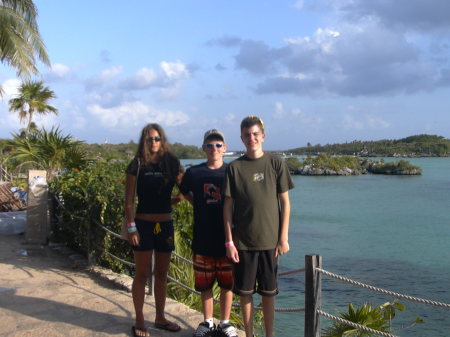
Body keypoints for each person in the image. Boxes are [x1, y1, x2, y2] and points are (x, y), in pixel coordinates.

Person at [223, 116, 294, 337]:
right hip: (243, 242)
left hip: (270, 242)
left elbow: (285, 203)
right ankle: (250, 334)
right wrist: (229, 242)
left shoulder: (275, 163)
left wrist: (283, 238)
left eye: (255, 134)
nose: (251, 138)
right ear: (242, 138)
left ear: (263, 136)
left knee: (268, 294)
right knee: (245, 294)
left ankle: (269, 334)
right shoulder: (235, 168)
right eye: (247, 134)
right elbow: (227, 207)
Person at [125, 123, 183, 337]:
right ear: (144, 141)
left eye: (157, 138)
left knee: (161, 273)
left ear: (162, 140)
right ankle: (139, 320)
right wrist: (131, 228)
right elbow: (129, 201)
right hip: (142, 226)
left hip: (165, 225)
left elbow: (184, 188)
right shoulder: (137, 164)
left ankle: (160, 317)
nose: (153, 142)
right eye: (149, 139)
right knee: (141, 274)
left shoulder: (172, 163)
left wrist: (178, 199)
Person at [180, 129, 238, 337]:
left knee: (226, 284)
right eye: (210, 145)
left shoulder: (232, 171)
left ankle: (224, 322)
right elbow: (185, 191)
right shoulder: (194, 172)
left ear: (225, 147)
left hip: (227, 239)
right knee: (204, 284)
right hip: (202, 238)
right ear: (203, 148)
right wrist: (196, 203)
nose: (214, 148)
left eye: (218, 144)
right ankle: (207, 322)